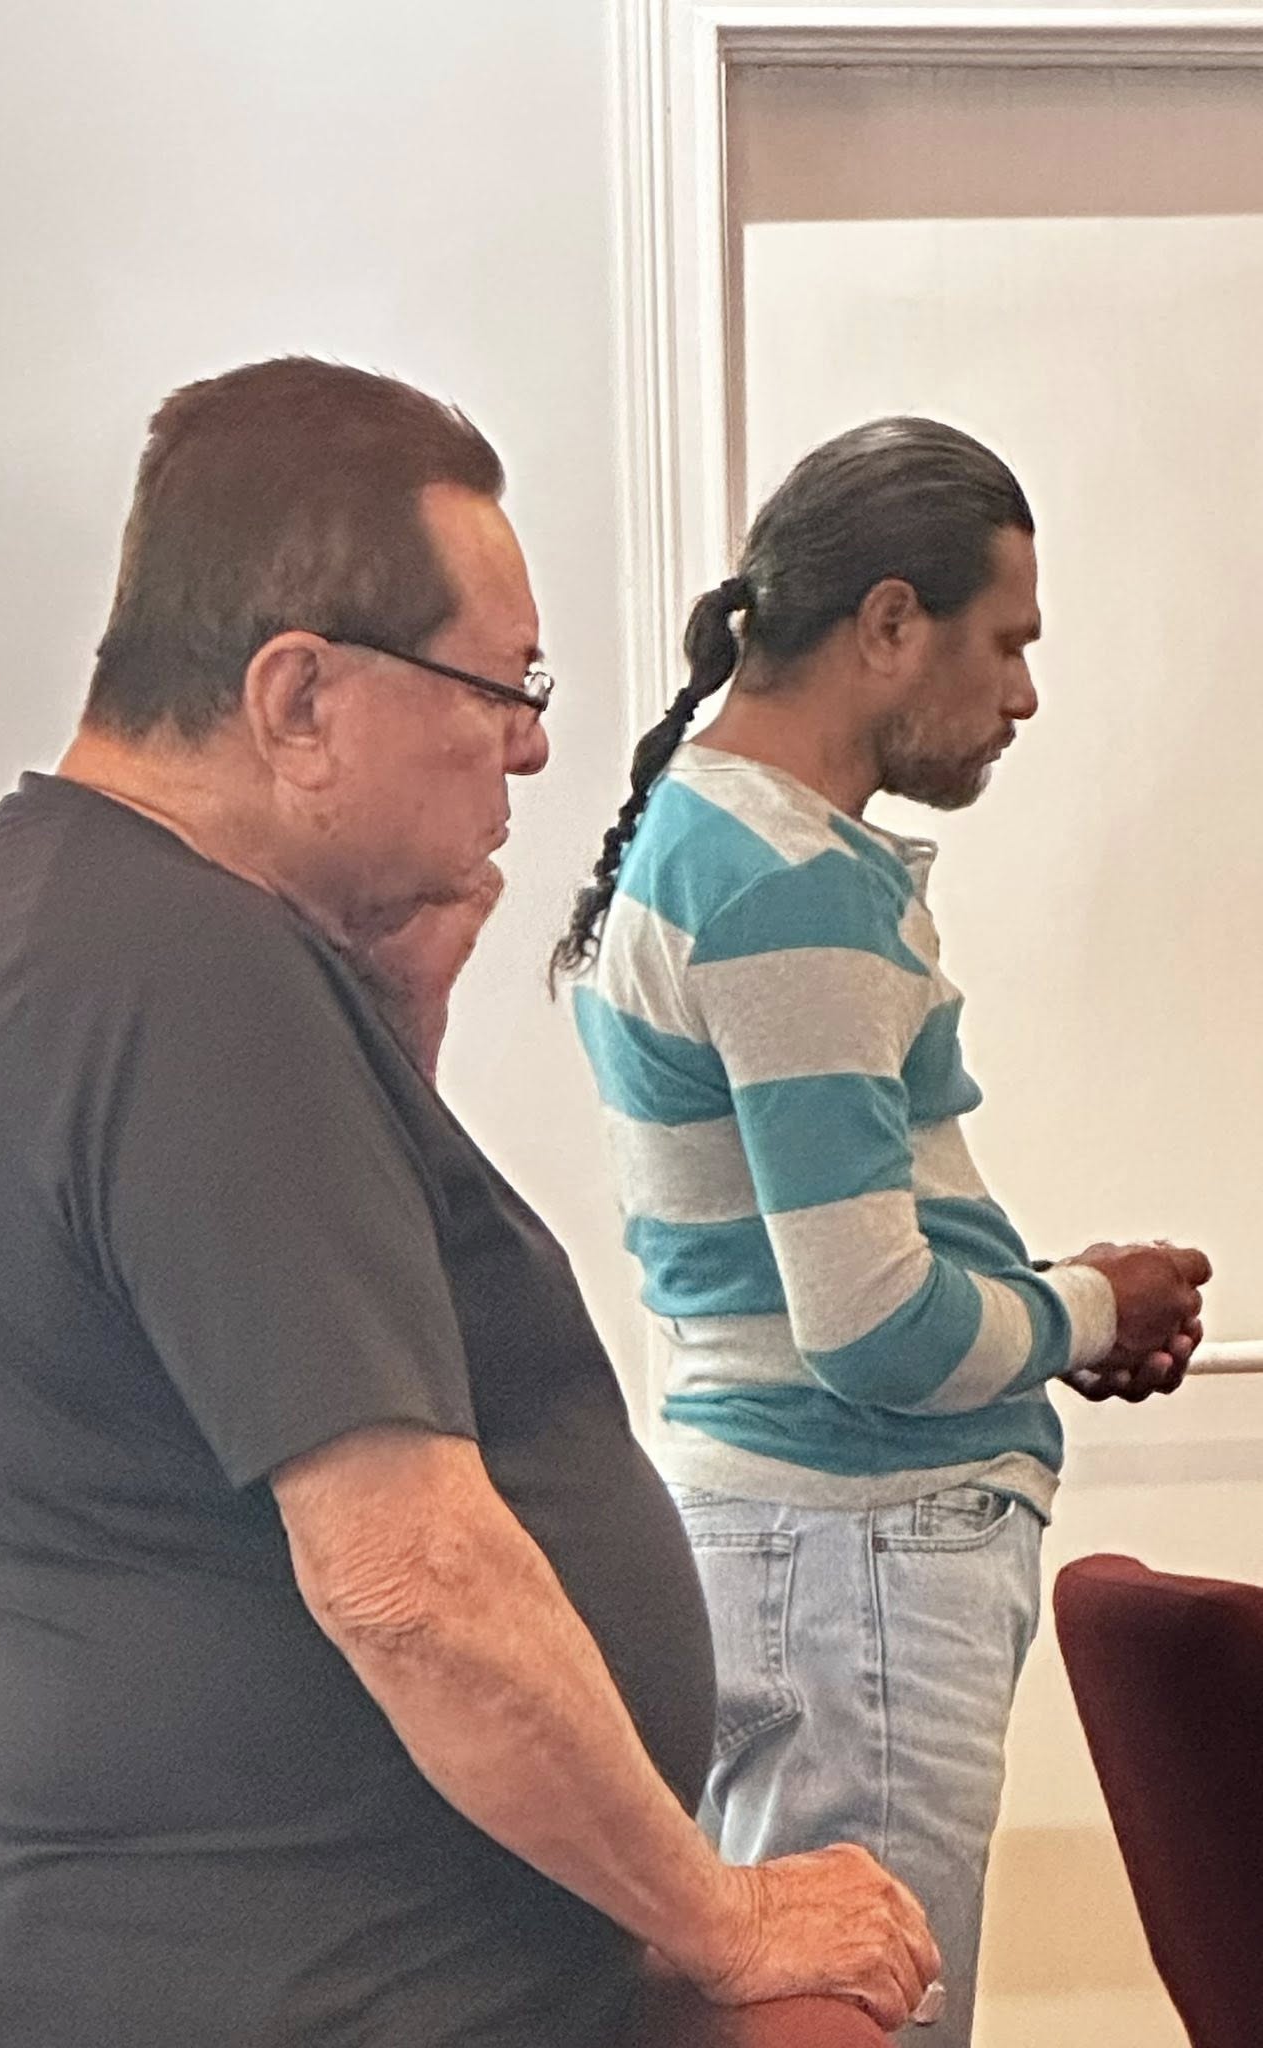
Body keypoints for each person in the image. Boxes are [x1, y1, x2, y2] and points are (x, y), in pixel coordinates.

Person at [0, 360, 941, 2048]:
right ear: (298, 699)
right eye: (500, 684)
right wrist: (716, 1915)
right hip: (294, 1983)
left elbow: (164, 1401)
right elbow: (408, 1584)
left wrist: (389, 1032)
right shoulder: (198, 982)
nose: (535, 742)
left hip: (127, 1946)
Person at [553, 417, 1210, 2048]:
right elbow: (871, 1327)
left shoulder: (703, 836)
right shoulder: (788, 882)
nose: (1026, 694)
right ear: (892, 621)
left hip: (787, 1538)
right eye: (1008, 642)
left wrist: (1050, 1310)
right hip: (860, 1552)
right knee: (873, 2025)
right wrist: (1089, 1308)